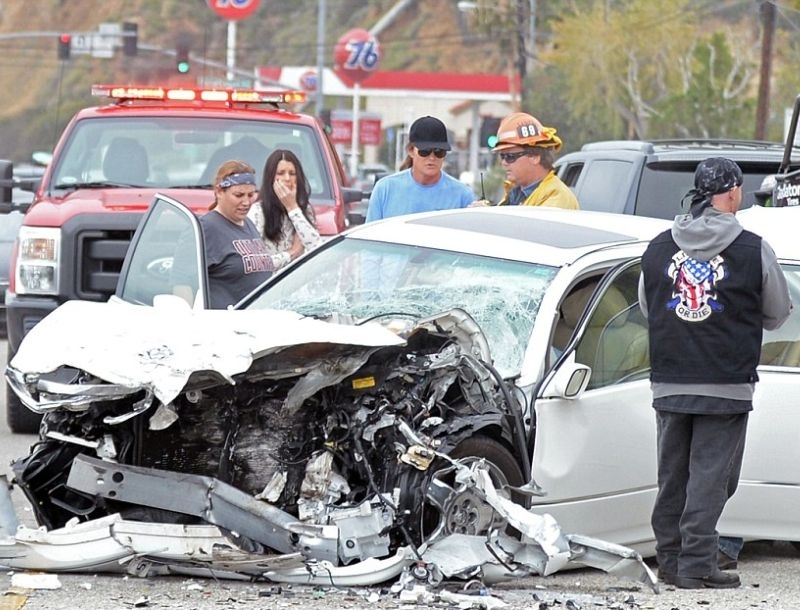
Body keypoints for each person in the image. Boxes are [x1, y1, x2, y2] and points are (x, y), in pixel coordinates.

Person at [638, 157, 792, 590]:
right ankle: (698, 563)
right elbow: (778, 313)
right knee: (713, 476)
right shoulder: (752, 247)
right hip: (726, 383)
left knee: (673, 473)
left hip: (669, 380)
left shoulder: (657, 246)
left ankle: (670, 558)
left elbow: (650, 309)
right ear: (733, 193)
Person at [173, 160, 275, 309]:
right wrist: (187, 322)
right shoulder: (205, 228)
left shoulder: (248, 224)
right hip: (226, 325)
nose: (246, 202)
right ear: (219, 192)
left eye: (251, 195)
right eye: (239, 195)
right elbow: (182, 280)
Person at [365, 115, 475, 221]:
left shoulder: (463, 195)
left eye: (439, 152)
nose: (432, 158)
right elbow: (368, 236)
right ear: (411, 151)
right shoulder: (385, 189)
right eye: (425, 151)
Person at [249, 148, 320, 271]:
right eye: (281, 173)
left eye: (292, 173)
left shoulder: (304, 209)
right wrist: (291, 254)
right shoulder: (258, 211)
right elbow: (254, 263)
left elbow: (317, 249)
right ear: (270, 177)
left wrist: (292, 207)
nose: (287, 179)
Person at [491, 112, 579, 209]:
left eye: (510, 156)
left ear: (535, 156)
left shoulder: (558, 198)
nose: (504, 162)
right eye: (502, 156)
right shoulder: (516, 193)